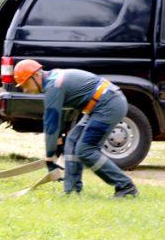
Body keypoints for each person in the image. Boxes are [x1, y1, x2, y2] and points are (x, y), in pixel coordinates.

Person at [13, 59, 139, 197]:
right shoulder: (53, 80)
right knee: (72, 141)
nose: (25, 90)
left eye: (25, 84)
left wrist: (50, 156)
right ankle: (72, 191)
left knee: (85, 150)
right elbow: (60, 116)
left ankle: (126, 187)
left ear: (36, 76)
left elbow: (51, 124)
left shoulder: (53, 86)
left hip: (108, 105)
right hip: (99, 104)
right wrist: (58, 141)